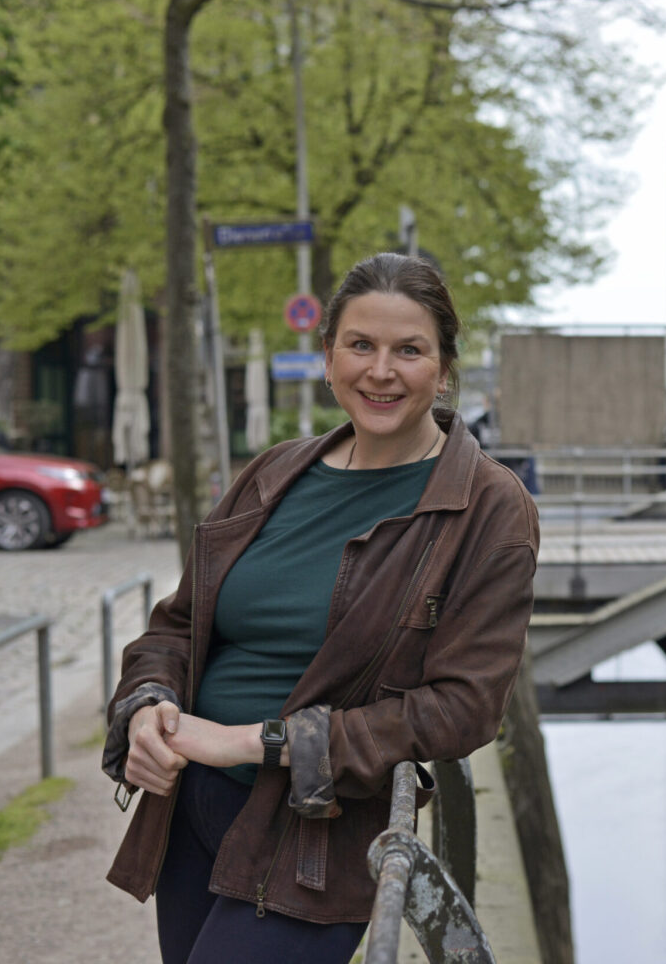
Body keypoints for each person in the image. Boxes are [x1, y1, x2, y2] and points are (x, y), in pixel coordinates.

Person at [101, 253, 539, 964]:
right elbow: (180, 623)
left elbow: (463, 707)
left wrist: (261, 741)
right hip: (190, 808)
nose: (381, 371)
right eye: (361, 345)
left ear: (445, 366)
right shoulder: (276, 472)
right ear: (329, 355)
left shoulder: (489, 507)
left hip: (313, 837)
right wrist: (146, 704)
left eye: (410, 350)